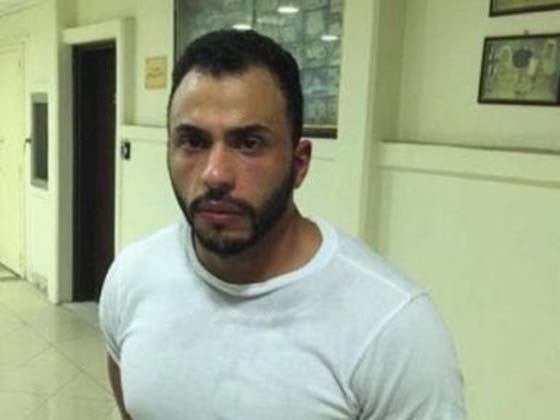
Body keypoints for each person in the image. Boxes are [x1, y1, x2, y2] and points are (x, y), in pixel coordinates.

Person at [99, 29, 465, 420]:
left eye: (249, 143)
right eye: (193, 141)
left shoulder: (393, 329)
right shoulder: (132, 276)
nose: (215, 174)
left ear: (299, 162)